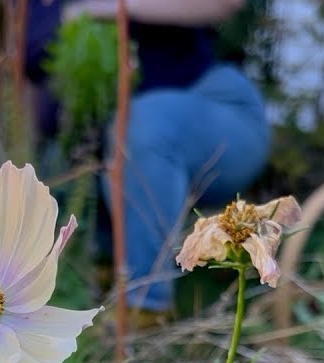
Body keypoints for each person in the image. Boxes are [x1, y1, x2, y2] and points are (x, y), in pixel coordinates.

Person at [25, 0, 270, 321]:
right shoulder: (26, 9)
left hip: (214, 110)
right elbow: (27, 80)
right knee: (58, 165)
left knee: (140, 127)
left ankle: (144, 308)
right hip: (98, 137)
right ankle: (97, 277)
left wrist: (107, 8)